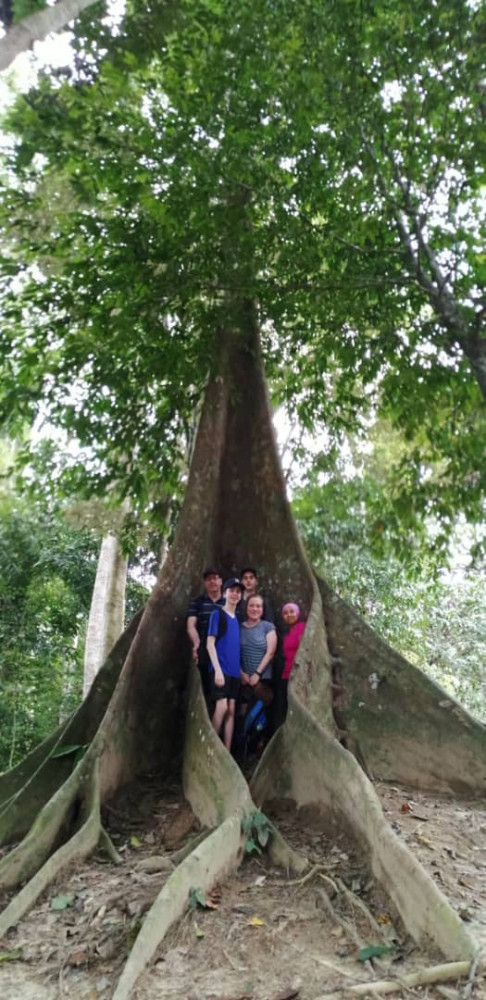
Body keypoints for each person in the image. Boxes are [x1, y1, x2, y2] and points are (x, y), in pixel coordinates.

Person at [207, 578, 244, 751]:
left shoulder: (237, 620)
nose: (235, 594)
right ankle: (212, 748)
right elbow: (209, 643)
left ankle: (226, 751)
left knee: (231, 709)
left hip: (235, 673)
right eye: (232, 590)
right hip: (220, 670)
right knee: (221, 707)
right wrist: (217, 671)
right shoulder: (217, 614)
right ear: (224, 593)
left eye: (238, 591)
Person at [186, 567, 223, 703]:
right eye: (208, 579)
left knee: (222, 688)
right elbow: (191, 625)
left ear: (220, 581)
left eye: (215, 578)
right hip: (204, 650)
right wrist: (197, 644)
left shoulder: (227, 602)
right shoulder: (198, 602)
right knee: (205, 683)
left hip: (223, 650)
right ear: (204, 583)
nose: (212, 581)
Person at [239, 595, 277, 708]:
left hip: (262, 679)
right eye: (251, 605)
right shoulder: (239, 628)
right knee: (243, 713)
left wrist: (257, 674)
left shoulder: (268, 627)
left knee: (259, 715)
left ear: (262, 609)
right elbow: (233, 652)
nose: (254, 609)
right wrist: (241, 673)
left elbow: (270, 653)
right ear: (246, 608)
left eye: (258, 606)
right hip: (243, 679)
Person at [279, 602, 306, 721]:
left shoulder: (303, 628)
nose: (289, 615)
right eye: (285, 613)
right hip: (286, 675)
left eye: (292, 611)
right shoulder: (286, 636)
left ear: (298, 613)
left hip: (300, 674)